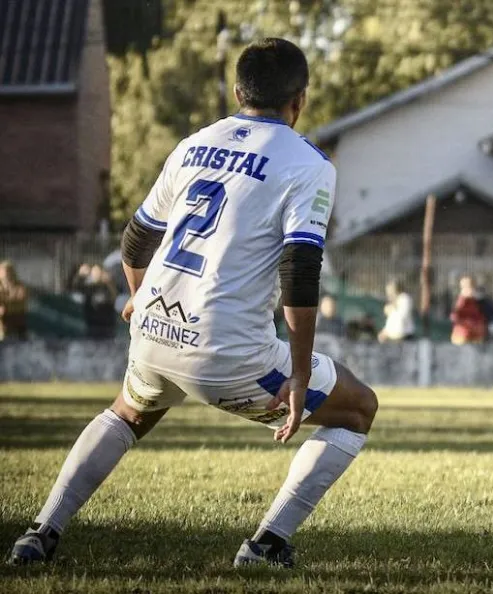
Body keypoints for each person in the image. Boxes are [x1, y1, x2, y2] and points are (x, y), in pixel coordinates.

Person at [8, 38, 378, 569]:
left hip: (156, 328)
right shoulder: (308, 163)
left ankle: (40, 532)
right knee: (359, 407)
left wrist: (140, 299)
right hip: (227, 353)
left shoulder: (194, 144)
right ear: (299, 100)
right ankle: (267, 544)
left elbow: (137, 239)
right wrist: (299, 374)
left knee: (128, 412)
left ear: (238, 92)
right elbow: (300, 269)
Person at [450, 275, 486, 345]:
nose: (470, 290)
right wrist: (468, 323)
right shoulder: (462, 301)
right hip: (462, 337)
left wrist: (480, 326)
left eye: (471, 287)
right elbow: (455, 317)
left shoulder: (474, 302)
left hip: (475, 336)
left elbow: (479, 317)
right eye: (467, 287)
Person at [0, 260, 29, 341]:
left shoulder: (19, 286)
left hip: (17, 315)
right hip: (4, 318)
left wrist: (7, 304)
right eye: (4, 277)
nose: (6, 279)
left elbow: (22, 297)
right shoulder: (1, 287)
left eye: (8, 275)